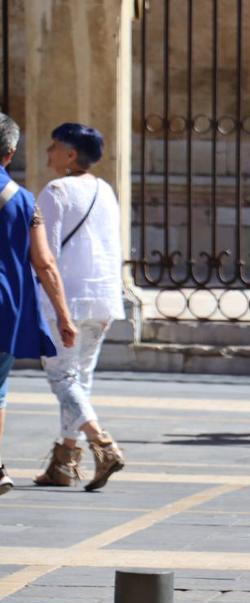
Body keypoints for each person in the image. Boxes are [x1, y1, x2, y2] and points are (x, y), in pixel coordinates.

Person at [29, 122, 125, 492]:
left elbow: (45, 255)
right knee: (80, 378)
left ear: (70, 155)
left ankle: (101, 443)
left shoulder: (55, 191)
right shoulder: (105, 190)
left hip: (67, 298)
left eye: (55, 147)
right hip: (102, 297)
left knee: (62, 377)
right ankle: (65, 459)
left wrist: (57, 307)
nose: (49, 153)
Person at [0, 112, 77, 494]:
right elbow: (44, 262)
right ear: (10, 153)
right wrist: (63, 315)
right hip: (6, 306)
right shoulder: (26, 201)